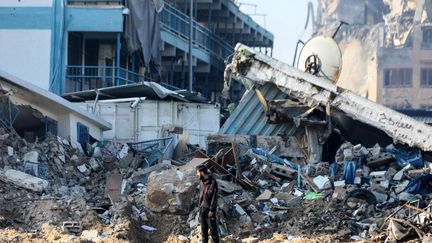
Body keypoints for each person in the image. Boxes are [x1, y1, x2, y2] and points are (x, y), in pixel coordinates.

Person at [196, 164, 219, 243]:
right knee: (203, 232)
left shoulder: (213, 182)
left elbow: (214, 197)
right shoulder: (202, 182)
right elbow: (201, 196)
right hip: (202, 210)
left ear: (202, 172)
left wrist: (212, 210)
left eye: (198, 173)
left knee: (213, 232)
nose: (197, 174)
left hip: (209, 211)